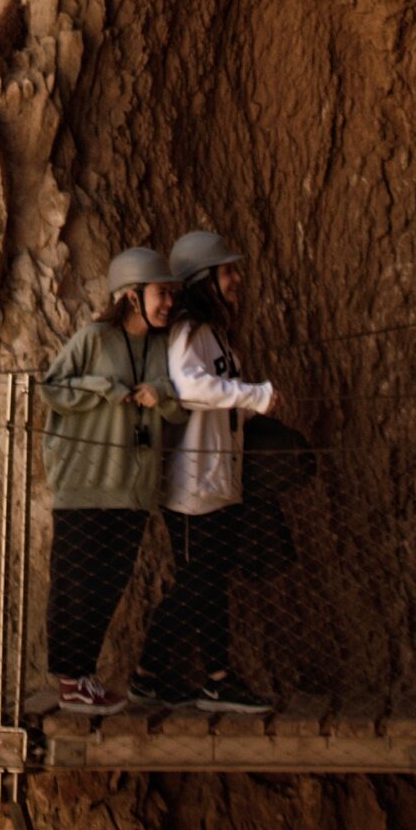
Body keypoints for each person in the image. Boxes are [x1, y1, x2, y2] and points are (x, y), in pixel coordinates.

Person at [134, 228, 279, 713]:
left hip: (218, 476)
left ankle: (203, 678)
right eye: (227, 272)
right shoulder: (187, 332)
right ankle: (158, 674)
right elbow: (189, 387)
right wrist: (256, 395)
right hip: (192, 482)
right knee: (199, 581)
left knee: (207, 580)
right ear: (203, 280)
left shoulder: (214, 332)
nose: (236, 279)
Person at [39, 246, 182, 714]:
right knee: (75, 582)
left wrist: (156, 392)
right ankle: (70, 680)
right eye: (161, 293)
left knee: (108, 583)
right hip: (84, 482)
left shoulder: (163, 348)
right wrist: (106, 391)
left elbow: (179, 405)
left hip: (133, 489)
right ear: (132, 296)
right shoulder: (95, 339)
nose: (168, 303)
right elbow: (52, 388)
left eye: (170, 294)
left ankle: (84, 677)